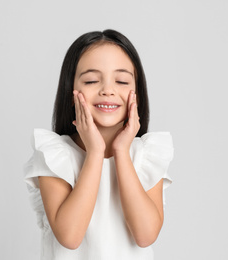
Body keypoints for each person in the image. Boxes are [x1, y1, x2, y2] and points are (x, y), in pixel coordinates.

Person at [24, 29, 174, 260]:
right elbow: (70, 237)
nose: (107, 90)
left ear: (138, 92)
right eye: (92, 80)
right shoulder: (54, 155)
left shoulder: (146, 155)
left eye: (122, 80)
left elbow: (145, 235)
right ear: (70, 91)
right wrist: (95, 152)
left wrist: (122, 151)